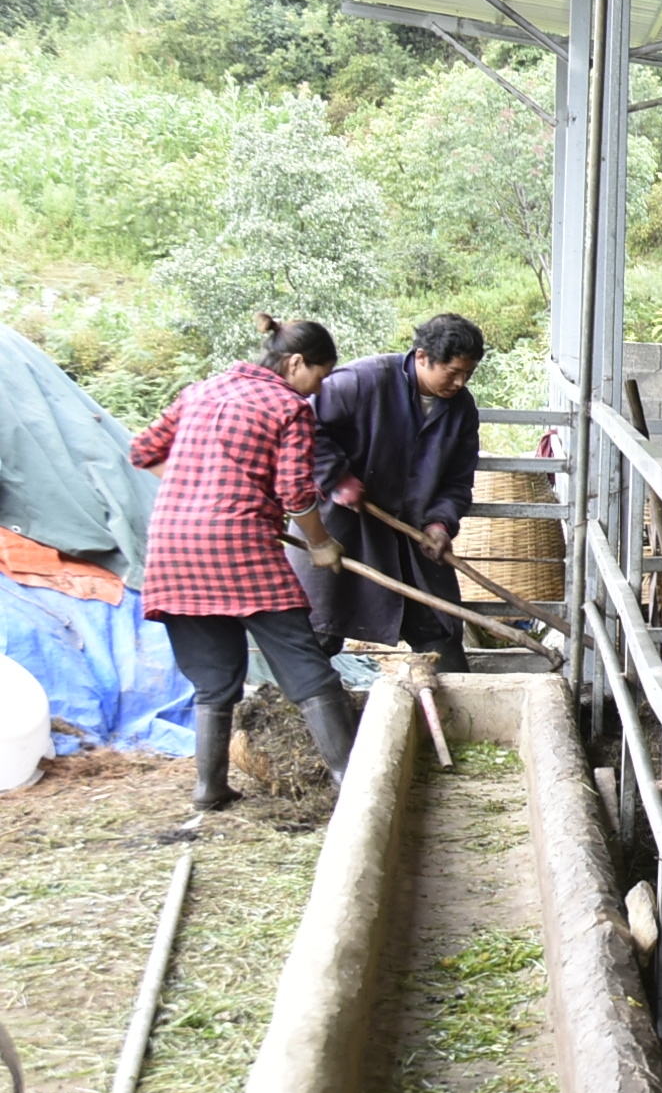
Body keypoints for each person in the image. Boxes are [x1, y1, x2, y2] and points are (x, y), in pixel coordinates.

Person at [129, 314, 355, 807]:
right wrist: (321, 544)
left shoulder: (199, 391)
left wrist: (198, 484)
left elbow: (143, 450)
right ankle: (353, 784)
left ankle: (209, 789)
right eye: (319, 375)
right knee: (307, 669)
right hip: (239, 548)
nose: (318, 388)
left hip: (172, 551)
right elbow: (296, 493)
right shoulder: (288, 406)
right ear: (296, 362)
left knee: (214, 680)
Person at [305, 312, 485, 671]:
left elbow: (457, 481)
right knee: (316, 635)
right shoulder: (362, 381)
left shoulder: (461, 409)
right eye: (452, 372)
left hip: (412, 539)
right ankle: (307, 716)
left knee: (440, 635)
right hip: (344, 530)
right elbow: (303, 426)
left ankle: (454, 715)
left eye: (468, 373)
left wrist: (440, 524)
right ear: (421, 357)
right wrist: (337, 477)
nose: (460, 382)